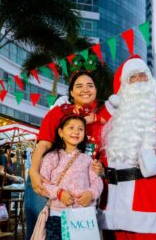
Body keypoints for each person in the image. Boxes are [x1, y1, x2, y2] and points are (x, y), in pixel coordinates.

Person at [98, 56, 156, 240]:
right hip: (112, 196)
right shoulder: (109, 111)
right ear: (124, 83)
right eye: (133, 77)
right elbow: (91, 137)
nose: (138, 80)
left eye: (142, 76)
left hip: (148, 192)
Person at [25, 70, 110, 239]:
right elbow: (43, 146)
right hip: (47, 181)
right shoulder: (58, 113)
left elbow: (99, 161)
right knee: (39, 230)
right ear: (71, 92)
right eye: (79, 86)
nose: (85, 89)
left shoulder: (101, 122)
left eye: (90, 85)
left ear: (95, 90)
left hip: (80, 199)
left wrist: (99, 169)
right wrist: (33, 172)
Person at [36, 111, 103, 240]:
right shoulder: (51, 157)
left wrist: (91, 193)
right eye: (71, 128)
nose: (76, 132)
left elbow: (97, 181)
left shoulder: (87, 159)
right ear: (61, 132)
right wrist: (59, 193)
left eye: (80, 129)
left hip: (83, 219)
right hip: (57, 216)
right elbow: (43, 183)